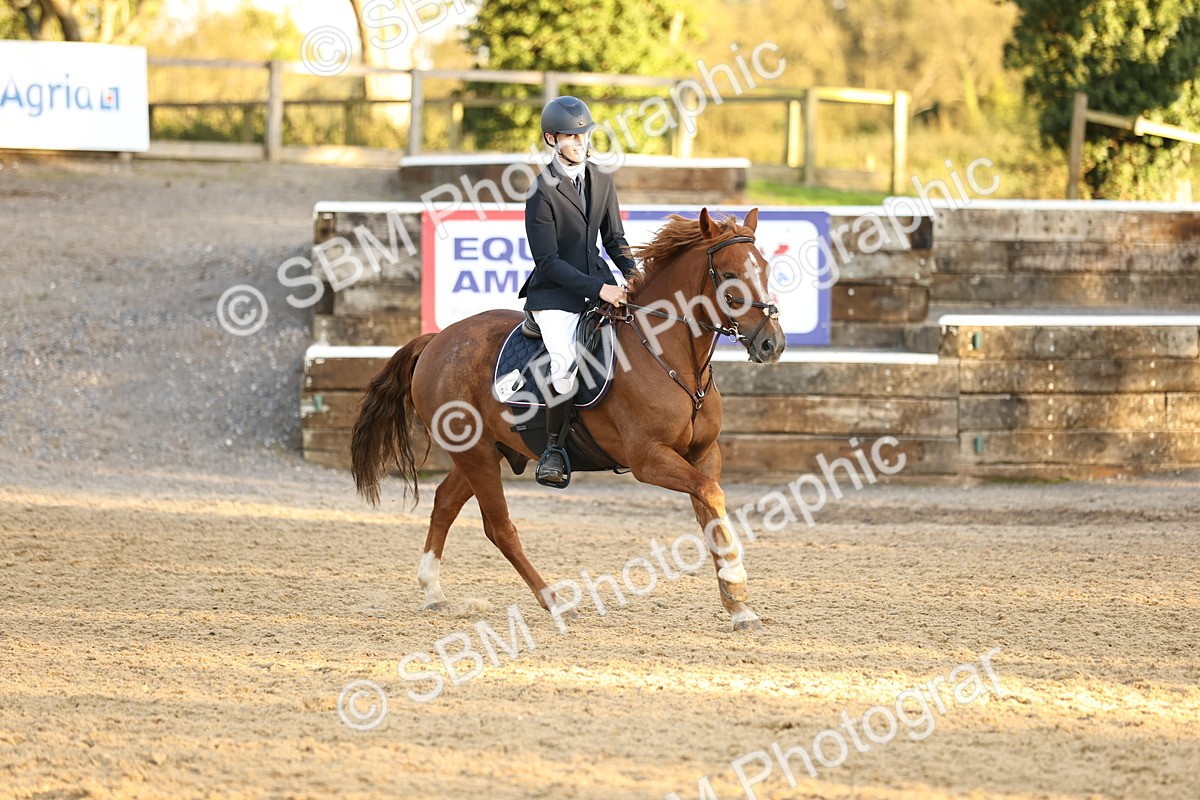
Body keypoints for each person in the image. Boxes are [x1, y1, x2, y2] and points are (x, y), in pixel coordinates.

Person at [518, 96, 636, 488]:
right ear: (551, 139)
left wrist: (634, 275)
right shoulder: (540, 191)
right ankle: (553, 449)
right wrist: (600, 289)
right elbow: (548, 261)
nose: (579, 141)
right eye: (570, 136)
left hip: (599, 285)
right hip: (555, 294)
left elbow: (614, 239)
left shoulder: (602, 179)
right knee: (565, 364)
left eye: (583, 134)